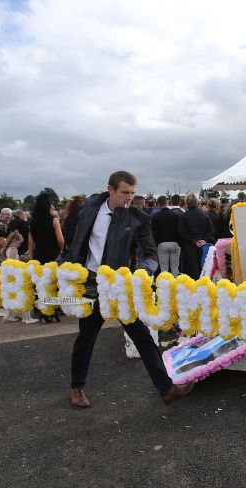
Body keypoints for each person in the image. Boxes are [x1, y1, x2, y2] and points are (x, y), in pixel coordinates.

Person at [64, 170, 191, 408]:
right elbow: (76, 239)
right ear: (110, 190)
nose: (129, 197)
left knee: (142, 336)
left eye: (133, 192)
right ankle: (76, 388)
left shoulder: (137, 218)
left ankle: (166, 389)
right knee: (86, 338)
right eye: (125, 192)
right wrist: (70, 268)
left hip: (120, 285)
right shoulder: (90, 208)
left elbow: (150, 253)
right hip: (91, 284)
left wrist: (141, 272)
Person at [1, 231, 39, 324]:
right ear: (14, 241)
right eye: (19, 243)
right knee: (24, 294)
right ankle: (27, 318)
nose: (20, 245)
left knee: (12, 295)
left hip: (9, 275)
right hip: (16, 275)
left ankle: (9, 315)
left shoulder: (6, 249)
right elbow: (14, 263)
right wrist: (23, 258)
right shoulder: (14, 249)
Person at [177, 193, 214, 278]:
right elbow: (211, 230)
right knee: (203, 269)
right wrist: (204, 239)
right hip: (203, 246)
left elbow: (181, 232)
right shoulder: (204, 215)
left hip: (189, 246)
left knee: (190, 271)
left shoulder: (183, 216)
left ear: (186, 203)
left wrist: (193, 240)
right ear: (197, 202)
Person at [28, 192, 65, 263]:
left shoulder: (33, 221)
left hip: (38, 255)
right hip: (53, 255)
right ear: (48, 205)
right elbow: (61, 241)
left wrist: (32, 258)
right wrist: (61, 249)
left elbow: (30, 242)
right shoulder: (54, 220)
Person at [152, 195, 181, 275]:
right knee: (175, 268)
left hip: (162, 244)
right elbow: (179, 230)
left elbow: (154, 232)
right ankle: (175, 285)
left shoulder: (156, 217)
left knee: (164, 268)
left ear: (158, 204)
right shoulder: (176, 216)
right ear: (167, 202)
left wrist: (157, 243)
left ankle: (164, 285)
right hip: (175, 243)